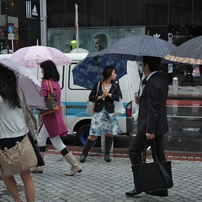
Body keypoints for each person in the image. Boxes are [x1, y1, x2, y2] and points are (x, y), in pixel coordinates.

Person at [125, 56, 169, 197]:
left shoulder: (151, 83)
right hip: (161, 125)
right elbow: (155, 103)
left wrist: (149, 130)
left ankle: (140, 185)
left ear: (146, 66)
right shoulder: (161, 80)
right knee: (158, 155)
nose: (142, 67)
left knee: (134, 151)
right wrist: (141, 100)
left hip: (150, 127)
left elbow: (153, 109)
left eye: (142, 64)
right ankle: (162, 188)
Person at [31, 60, 82, 176]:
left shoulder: (45, 83)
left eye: (43, 69)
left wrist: (34, 100)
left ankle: (75, 165)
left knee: (57, 142)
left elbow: (42, 99)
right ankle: (39, 165)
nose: (42, 71)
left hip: (49, 117)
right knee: (41, 139)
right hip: (54, 116)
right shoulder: (56, 83)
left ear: (47, 70)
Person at [0, 66, 35, 202]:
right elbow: (24, 113)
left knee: (5, 172)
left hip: (3, 138)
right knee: (26, 176)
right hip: (22, 137)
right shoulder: (20, 92)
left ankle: (17, 200)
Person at [79, 66, 122, 163]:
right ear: (109, 73)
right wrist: (100, 96)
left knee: (109, 134)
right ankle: (84, 154)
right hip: (99, 112)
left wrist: (110, 95)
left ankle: (107, 155)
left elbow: (119, 97)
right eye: (114, 73)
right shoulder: (98, 84)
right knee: (93, 134)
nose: (116, 75)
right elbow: (91, 97)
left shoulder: (115, 85)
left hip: (110, 112)